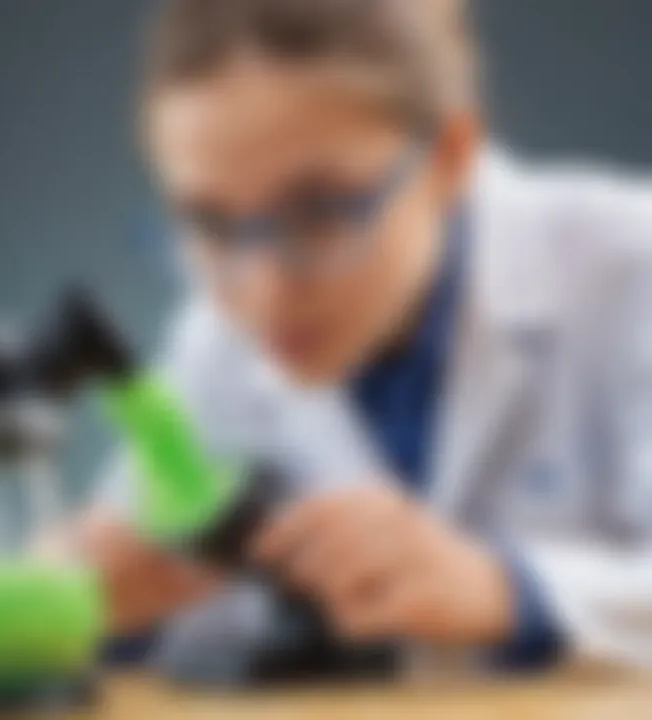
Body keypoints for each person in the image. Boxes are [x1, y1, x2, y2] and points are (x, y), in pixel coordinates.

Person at [55, 0, 652, 677]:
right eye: (211, 224)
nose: (264, 290)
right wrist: (93, 606)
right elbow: (160, 615)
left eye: (321, 212)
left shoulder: (631, 267)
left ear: (451, 157)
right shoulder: (215, 340)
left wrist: (516, 593)